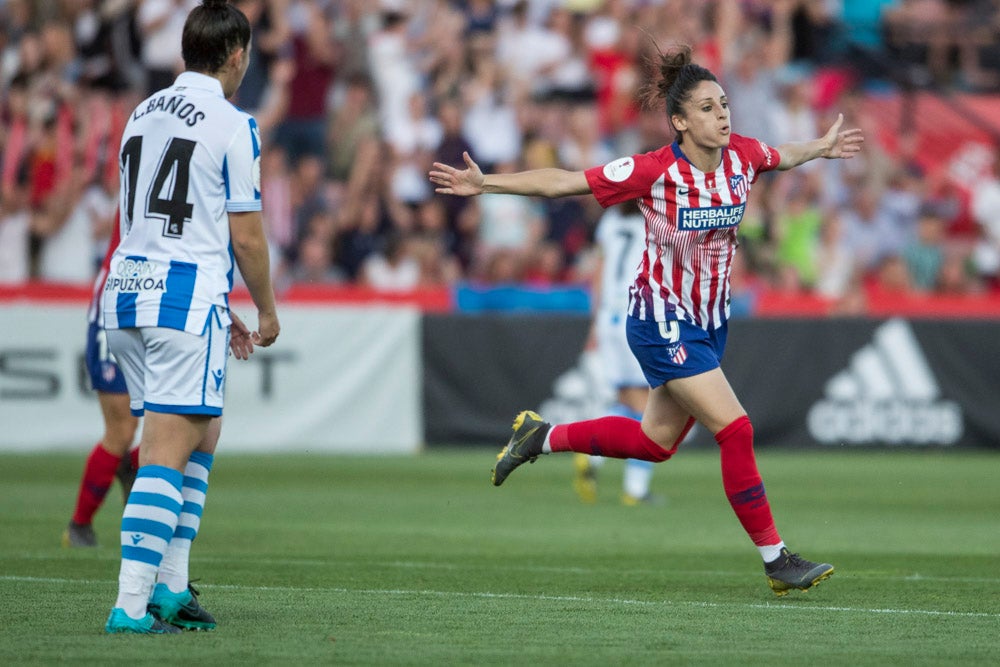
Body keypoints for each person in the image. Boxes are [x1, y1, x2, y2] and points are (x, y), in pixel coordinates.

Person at [430, 44, 863, 596]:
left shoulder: (745, 156)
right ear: (679, 122)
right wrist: (487, 183)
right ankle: (777, 559)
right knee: (737, 429)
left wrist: (821, 148)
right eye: (707, 108)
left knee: (655, 443)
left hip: (707, 324)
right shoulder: (653, 169)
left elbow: (785, 153)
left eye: (724, 103)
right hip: (660, 318)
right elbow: (567, 181)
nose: (723, 114)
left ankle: (540, 437)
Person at [102, 0, 280, 634]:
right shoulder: (235, 125)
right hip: (180, 300)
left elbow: (149, 220)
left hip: (124, 294)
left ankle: (172, 587)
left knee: (202, 430)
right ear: (236, 55)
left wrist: (218, 305)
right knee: (166, 451)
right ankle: (131, 605)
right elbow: (248, 239)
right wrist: (264, 307)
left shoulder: (140, 115)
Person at [573, 199, 664, 507]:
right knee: (651, 404)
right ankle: (635, 489)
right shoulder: (653, 220)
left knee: (626, 399)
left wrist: (595, 322)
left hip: (608, 317)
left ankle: (592, 455)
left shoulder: (610, 220)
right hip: (635, 316)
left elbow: (598, 273)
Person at [63, 217, 140, 548]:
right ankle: (79, 526)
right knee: (121, 429)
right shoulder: (142, 173)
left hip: (153, 304)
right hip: (117, 304)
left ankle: (128, 471)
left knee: (155, 424)